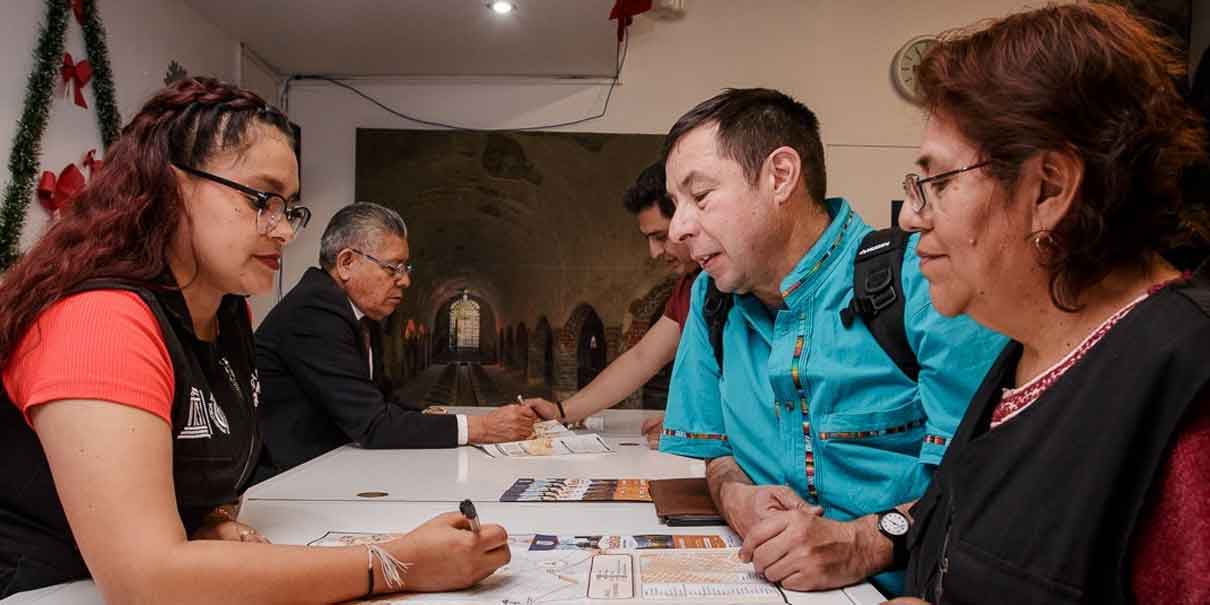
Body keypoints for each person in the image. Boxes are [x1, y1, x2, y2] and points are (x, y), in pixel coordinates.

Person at [0, 78, 508, 601]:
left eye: (288, 207)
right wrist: (395, 564)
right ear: (172, 187)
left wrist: (206, 519)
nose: (285, 230)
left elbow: (197, 481)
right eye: (263, 199)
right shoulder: (99, 322)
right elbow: (145, 580)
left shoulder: (227, 314)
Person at [888, 5, 1210, 604]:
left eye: (938, 182)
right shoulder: (1025, 350)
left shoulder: (1184, 384)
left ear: (1050, 190)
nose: (911, 215)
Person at [657, 88, 1007, 594]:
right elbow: (716, 452)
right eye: (675, 205)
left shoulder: (925, 285)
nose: (678, 229)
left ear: (780, 176)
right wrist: (734, 496)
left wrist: (865, 542)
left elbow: (993, 483)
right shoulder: (713, 302)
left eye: (701, 196)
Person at [255, 202, 536, 477]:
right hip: (287, 479)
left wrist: (450, 418)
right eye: (393, 268)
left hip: (325, 467)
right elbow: (374, 424)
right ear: (346, 263)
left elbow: (382, 402)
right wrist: (481, 428)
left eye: (406, 269)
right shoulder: (314, 311)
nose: (405, 281)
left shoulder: (358, 313)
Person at [525, 162, 699, 448]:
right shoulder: (691, 284)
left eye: (659, 236)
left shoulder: (736, 279)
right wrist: (562, 412)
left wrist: (698, 429)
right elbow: (642, 356)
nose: (654, 253)